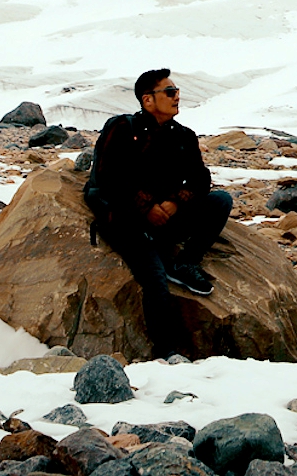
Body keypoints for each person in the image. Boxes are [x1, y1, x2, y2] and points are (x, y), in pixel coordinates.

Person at [83, 68, 233, 356]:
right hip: (127, 221)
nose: (177, 97)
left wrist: (176, 202)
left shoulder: (184, 136)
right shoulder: (122, 128)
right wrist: (146, 208)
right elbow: (108, 179)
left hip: (167, 217)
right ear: (148, 100)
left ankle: (185, 263)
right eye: (169, 92)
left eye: (176, 91)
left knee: (221, 201)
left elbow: (201, 179)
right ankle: (165, 354)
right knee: (155, 281)